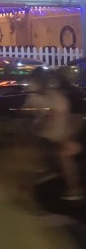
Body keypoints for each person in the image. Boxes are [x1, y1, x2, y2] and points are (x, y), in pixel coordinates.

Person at [23, 67, 84, 201]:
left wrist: (69, 137)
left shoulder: (59, 97)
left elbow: (74, 119)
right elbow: (26, 114)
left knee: (64, 154)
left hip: (61, 137)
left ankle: (74, 188)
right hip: (45, 136)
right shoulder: (34, 97)